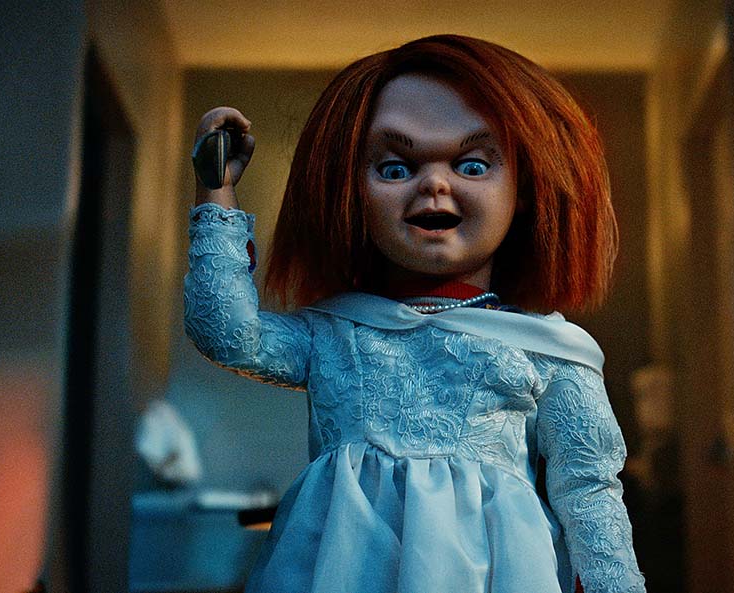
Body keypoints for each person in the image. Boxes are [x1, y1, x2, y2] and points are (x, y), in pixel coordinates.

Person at [183, 34, 646, 593]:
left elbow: (589, 492)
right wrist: (217, 194)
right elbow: (228, 334)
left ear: (523, 188)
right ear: (352, 191)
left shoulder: (548, 351)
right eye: (395, 168)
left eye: (473, 164)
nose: (434, 183)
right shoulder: (336, 334)